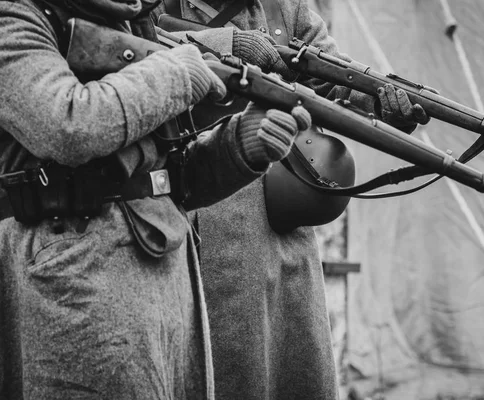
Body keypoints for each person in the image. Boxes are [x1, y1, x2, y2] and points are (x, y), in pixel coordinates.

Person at [0, 0, 312, 398]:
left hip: (170, 291)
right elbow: (68, 126)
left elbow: (168, 179)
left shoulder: (129, 20)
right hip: (72, 291)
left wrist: (242, 144)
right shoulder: (16, 14)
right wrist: (176, 72)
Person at [151, 1, 430, 399]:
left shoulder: (286, 8)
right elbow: (140, 52)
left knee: (297, 365)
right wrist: (228, 42)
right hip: (210, 215)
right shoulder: (158, 5)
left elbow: (332, 73)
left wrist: (382, 102)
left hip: (288, 213)